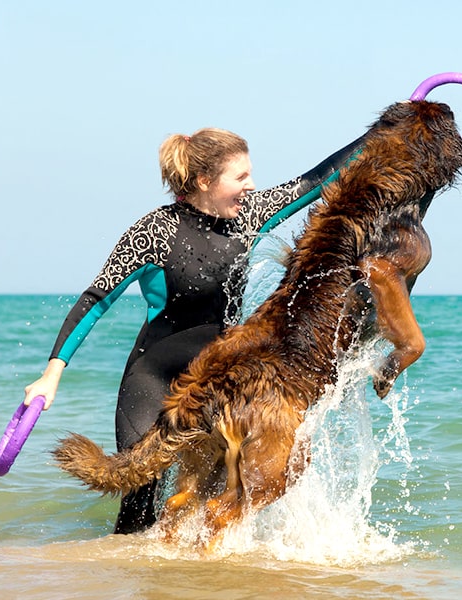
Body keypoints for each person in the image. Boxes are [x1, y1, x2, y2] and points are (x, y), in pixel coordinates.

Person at [23, 126, 366, 534]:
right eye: (240, 177)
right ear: (204, 181)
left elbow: (317, 180)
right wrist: (51, 375)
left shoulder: (249, 216)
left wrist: (386, 131)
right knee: (140, 506)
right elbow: (96, 299)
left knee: (216, 504)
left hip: (217, 384)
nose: (251, 186)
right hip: (154, 382)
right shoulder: (155, 232)